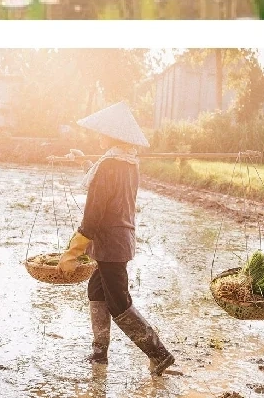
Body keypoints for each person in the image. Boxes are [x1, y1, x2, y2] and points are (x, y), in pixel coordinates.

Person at [57, 101, 176, 375]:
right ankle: (100, 355)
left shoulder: (110, 166)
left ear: (112, 136)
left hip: (110, 244)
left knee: (120, 302)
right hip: (118, 241)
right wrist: (83, 161)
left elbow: (92, 216)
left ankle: (160, 354)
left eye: (102, 132)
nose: (98, 136)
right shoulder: (128, 163)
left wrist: (72, 253)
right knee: (96, 292)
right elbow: (103, 177)